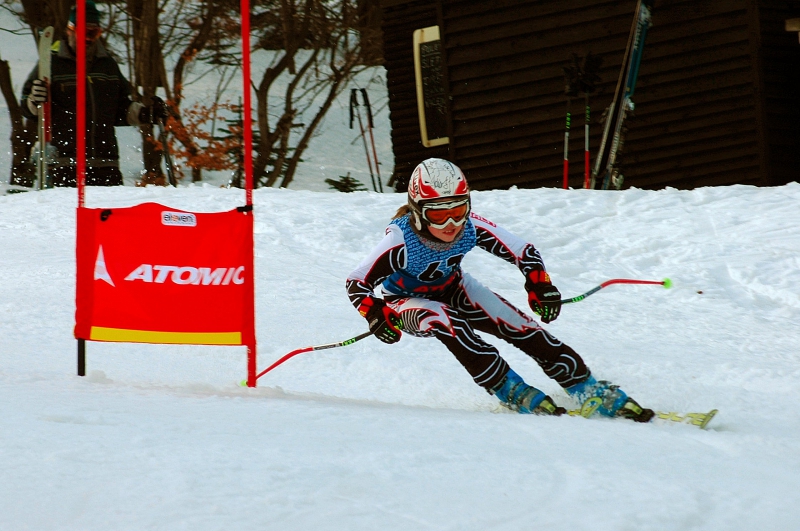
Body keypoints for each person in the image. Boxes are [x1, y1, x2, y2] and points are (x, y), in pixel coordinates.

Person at [346, 158, 654, 421]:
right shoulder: (400, 240)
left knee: (519, 324)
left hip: (454, 287)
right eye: (438, 214)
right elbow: (356, 282)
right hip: (405, 301)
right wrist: (374, 313)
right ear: (417, 211)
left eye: (459, 210)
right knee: (445, 319)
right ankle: (509, 387)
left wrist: (539, 284)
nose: (451, 223)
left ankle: (584, 386)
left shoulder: (469, 226)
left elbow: (524, 251)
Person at [20, 1, 167, 187]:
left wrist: (146, 113)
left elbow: (120, 109)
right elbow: (27, 107)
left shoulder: (107, 65)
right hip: (64, 165)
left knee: (112, 207)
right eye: (84, 32)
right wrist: (35, 100)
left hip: (105, 164)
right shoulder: (52, 64)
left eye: (94, 33)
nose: (88, 38)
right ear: (70, 30)